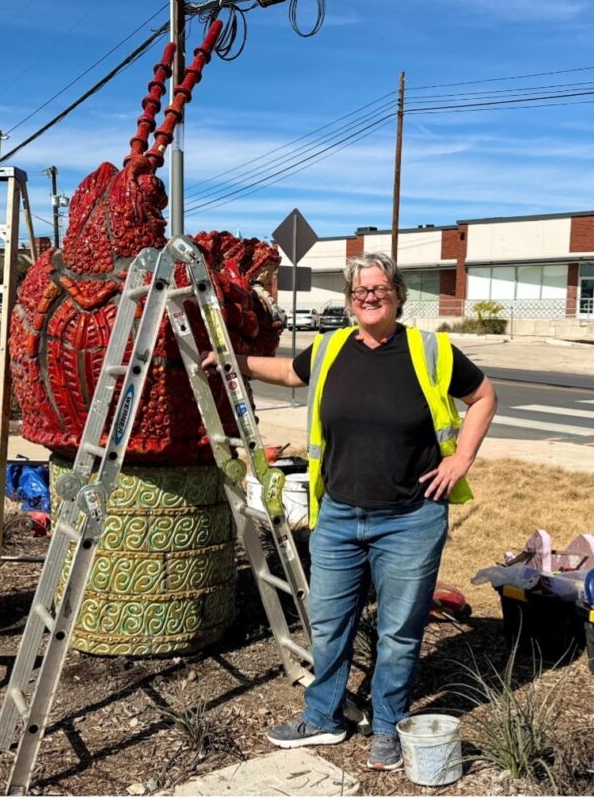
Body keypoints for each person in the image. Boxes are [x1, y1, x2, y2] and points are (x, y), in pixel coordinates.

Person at [203, 251, 497, 771]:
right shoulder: (332, 347)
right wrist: (233, 362)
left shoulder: (431, 351)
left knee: (399, 631)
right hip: (339, 514)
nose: (368, 298)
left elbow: (483, 396)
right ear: (348, 299)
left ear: (398, 294)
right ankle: (323, 718)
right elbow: (288, 373)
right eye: (358, 291)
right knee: (328, 621)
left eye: (378, 289)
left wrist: (461, 459)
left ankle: (388, 726)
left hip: (410, 517)